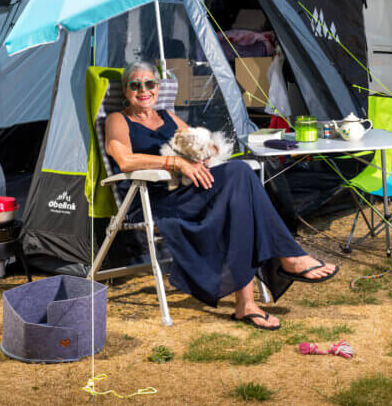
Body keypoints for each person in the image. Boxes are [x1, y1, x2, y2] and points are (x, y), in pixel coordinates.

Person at [105, 60, 338, 330]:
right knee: (239, 178)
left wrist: (204, 153)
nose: (143, 90)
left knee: (240, 186)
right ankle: (287, 258)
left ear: (158, 87)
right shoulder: (118, 119)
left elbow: (200, 145)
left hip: (189, 190)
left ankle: (249, 302)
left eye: (149, 83)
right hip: (155, 198)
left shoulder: (168, 117)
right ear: (126, 90)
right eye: (135, 85)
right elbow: (125, 160)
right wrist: (176, 162)